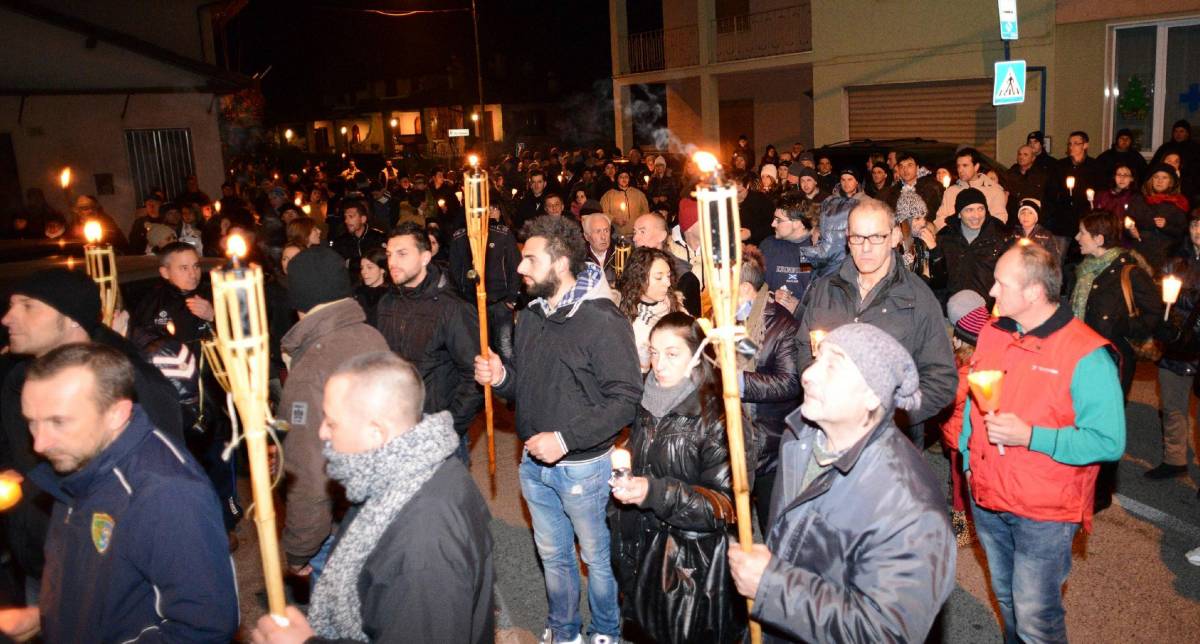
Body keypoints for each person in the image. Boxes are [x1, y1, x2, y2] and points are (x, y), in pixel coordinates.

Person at [728, 323, 956, 642]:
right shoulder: (801, 438)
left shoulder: (909, 507)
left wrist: (772, 586)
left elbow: (885, 633)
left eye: (833, 366)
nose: (808, 374)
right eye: (817, 358)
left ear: (872, 396)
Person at [474, 215, 641, 644]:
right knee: (553, 556)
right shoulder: (529, 318)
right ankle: (565, 630)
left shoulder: (602, 319)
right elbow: (525, 389)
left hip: (583, 468)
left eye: (531, 259)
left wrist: (564, 439)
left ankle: (605, 631)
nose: (520, 268)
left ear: (561, 262)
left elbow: (624, 398)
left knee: (596, 558)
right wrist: (502, 378)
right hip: (533, 463)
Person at [252, 352, 494, 643]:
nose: (321, 432)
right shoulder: (419, 469)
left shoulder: (422, 544)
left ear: (375, 433)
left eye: (332, 422)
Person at [12, 343, 237, 642]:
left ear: (117, 414)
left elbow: (203, 628)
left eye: (58, 422)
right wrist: (47, 616)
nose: (39, 443)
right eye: (31, 422)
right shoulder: (80, 459)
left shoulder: (168, 494)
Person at [963, 242, 1126, 643]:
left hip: (1044, 514)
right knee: (1008, 602)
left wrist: (1031, 436)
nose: (993, 293)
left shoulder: (1086, 354)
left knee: (1037, 617)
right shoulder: (993, 333)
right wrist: (968, 461)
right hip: (987, 498)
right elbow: (972, 405)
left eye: (1001, 284)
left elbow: (1108, 440)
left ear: (1034, 292)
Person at [1, 270, 184, 603]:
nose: (7, 318)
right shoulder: (18, 379)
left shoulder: (131, 384)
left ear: (70, 319)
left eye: (26, 306)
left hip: (107, 577)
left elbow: (161, 490)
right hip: (39, 565)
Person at [609, 313, 753, 643]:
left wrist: (656, 493)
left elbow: (726, 506)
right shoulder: (648, 400)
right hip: (644, 546)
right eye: (653, 352)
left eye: (672, 354)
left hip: (691, 561)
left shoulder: (720, 417)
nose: (658, 364)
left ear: (697, 357)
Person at [797, 199, 958, 444]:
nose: (866, 248)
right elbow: (801, 347)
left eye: (876, 238)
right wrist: (820, 389)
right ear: (847, 238)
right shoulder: (826, 289)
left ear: (894, 237)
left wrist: (889, 414)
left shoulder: (918, 298)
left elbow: (941, 379)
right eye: (858, 238)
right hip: (827, 432)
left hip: (889, 443)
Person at [374, 222, 483, 463]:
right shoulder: (386, 303)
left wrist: (448, 429)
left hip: (436, 431)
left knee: (444, 500)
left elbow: (475, 377)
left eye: (402, 254)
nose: (392, 262)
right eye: (390, 254)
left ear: (425, 257)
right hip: (395, 429)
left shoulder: (453, 308)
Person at [733, 249, 800, 535]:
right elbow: (753, 356)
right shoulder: (734, 321)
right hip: (732, 437)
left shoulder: (781, 324)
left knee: (772, 525)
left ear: (746, 289)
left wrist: (739, 382)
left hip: (768, 442)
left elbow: (788, 381)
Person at [1070, 210, 1163, 396]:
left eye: (1082, 233)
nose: (1077, 237)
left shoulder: (1130, 272)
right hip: (1081, 354)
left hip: (1113, 358)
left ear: (1099, 239)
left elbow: (1154, 313)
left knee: (1106, 414)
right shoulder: (1084, 271)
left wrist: (1121, 327)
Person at [937, 290, 991, 545]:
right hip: (974, 436)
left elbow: (944, 398)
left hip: (960, 438)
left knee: (961, 486)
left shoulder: (964, 373)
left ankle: (963, 530)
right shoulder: (989, 355)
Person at [1150, 224, 1200, 481]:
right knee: (1172, 405)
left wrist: (1183, 296)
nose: (1198, 230)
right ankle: (1174, 458)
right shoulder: (1176, 262)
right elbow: (1160, 292)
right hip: (1178, 344)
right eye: (1195, 225)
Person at [448, 205, 521, 361]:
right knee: (477, 348)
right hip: (472, 304)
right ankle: (483, 383)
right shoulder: (460, 238)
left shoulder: (501, 234)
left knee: (505, 347)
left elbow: (514, 265)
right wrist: (462, 299)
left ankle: (510, 381)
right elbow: (454, 271)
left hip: (500, 301)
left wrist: (512, 299)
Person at [932, 187, 1009, 306]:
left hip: (986, 312)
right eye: (969, 210)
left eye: (981, 209)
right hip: (952, 310)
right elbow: (938, 282)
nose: (976, 215)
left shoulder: (1000, 238)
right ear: (959, 214)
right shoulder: (946, 238)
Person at [129, 242, 214, 345]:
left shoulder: (216, 293)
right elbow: (140, 343)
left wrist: (213, 316)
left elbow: (236, 332)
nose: (193, 274)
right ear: (165, 272)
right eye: (184, 268)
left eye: (196, 266)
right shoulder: (152, 301)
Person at [616, 247, 684, 373]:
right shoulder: (638, 327)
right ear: (639, 280)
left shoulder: (672, 300)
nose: (667, 283)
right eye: (659, 278)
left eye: (668, 276)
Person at [631, 213, 701, 316]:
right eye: (634, 232)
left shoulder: (684, 279)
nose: (635, 238)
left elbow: (689, 327)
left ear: (662, 236)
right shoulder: (633, 267)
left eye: (642, 232)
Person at [758, 192, 815, 318]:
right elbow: (753, 287)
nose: (773, 224)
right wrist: (770, 297)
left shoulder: (814, 250)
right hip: (771, 325)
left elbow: (823, 303)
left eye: (779, 220)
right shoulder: (768, 246)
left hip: (804, 328)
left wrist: (800, 308)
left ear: (797, 223)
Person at [1127, 164, 1190, 274]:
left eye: (1164, 178)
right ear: (1150, 180)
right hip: (1139, 253)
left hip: (1165, 255)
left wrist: (1166, 226)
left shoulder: (1178, 203)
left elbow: (1183, 232)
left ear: (1171, 182)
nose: (1159, 181)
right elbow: (1128, 223)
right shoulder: (1138, 199)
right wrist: (1130, 231)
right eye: (1156, 177)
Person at [894, 189, 946, 290]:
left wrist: (934, 250)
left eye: (924, 218)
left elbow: (941, 283)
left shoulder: (924, 241)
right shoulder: (895, 245)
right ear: (905, 220)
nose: (923, 223)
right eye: (917, 218)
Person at [880, 153, 944, 217]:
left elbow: (939, 214)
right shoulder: (894, 191)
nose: (905, 170)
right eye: (901, 166)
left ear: (917, 167)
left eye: (909, 165)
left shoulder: (932, 187)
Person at [331, 201, 387, 268]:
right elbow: (337, 263)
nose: (346, 221)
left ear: (363, 219)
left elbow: (381, 260)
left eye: (351, 217)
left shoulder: (378, 237)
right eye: (345, 217)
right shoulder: (341, 241)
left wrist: (352, 263)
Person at [1008, 198, 1063, 267]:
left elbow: (1054, 258)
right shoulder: (1013, 234)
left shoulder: (1046, 236)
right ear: (1019, 217)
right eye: (1022, 213)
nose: (1026, 216)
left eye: (1030, 213)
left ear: (1036, 217)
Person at [601, 168, 650, 237]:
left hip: (636, 233)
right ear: (617, 179)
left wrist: (640, 222)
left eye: (626, 177)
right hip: (617, 233)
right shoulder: (608, 195)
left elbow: (646, 211)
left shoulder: (639, 194)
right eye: (621, 177)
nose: (624, 179)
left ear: (629, 179)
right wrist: (614, 219)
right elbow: (603, 212)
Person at [354, 247, 390, 327]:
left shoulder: (392, 296)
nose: (364, 272)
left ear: (382, 269)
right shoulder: (357, 293)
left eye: (369, 267)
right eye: (362, 268)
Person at [583, 212, 617, 284]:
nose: (603, 237)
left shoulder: (621, 253)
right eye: (598, 232)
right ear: (586, 236)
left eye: (606, 231)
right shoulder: (579, 258)